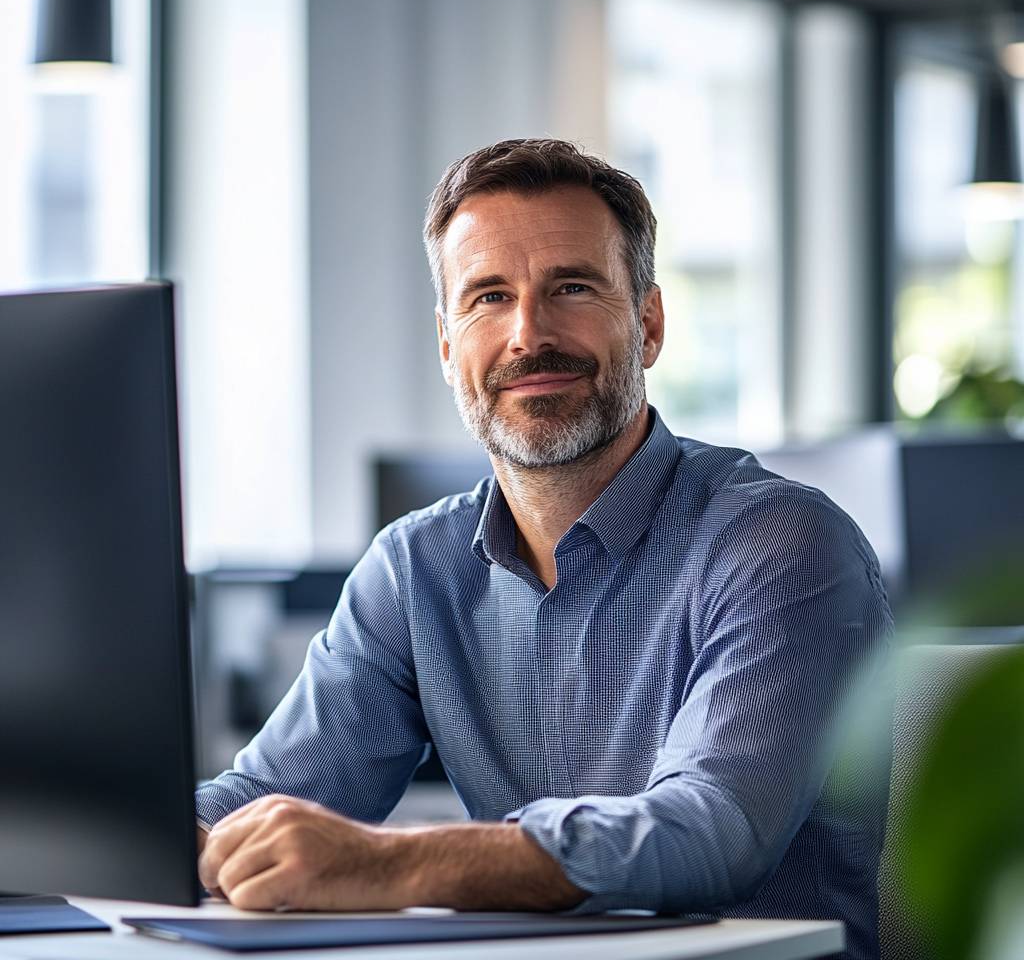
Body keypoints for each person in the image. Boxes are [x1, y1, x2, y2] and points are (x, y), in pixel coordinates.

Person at [196, 139, 892, 960]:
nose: (528, 333)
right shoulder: (416, 568)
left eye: (571, 287)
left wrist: (393, 863)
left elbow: (709, 832)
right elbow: (261, 798)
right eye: (488, 296)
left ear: (649, 322)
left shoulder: (781, 544)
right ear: (450, 345)